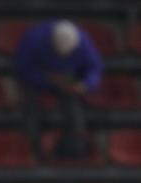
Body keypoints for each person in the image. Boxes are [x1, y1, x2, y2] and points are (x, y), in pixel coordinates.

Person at [14, 20, 103, 160]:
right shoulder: (33, 40)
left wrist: (85, 85)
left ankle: (75, 143)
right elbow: (23, 69)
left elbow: (94, 69)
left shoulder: (84, 44)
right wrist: (47, 79)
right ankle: (32, 146)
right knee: (29, 105)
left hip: (68, 79)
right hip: (38, 79)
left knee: (73, 103)